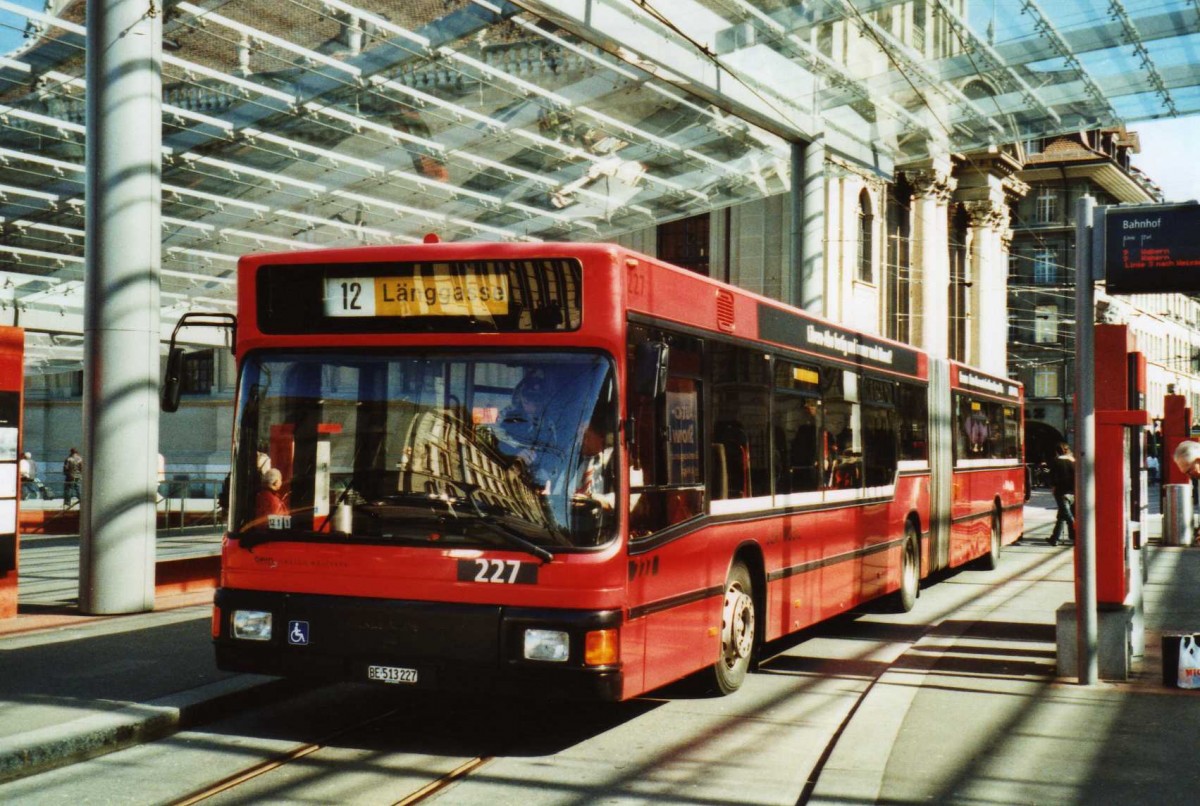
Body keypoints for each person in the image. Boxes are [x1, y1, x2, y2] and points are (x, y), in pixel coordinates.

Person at [1047, 441, 1076, 546]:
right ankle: (1055, 538)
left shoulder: (1056, 462)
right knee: (1062, 514)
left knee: (1067, 515)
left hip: (1061, 492)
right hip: (1073, 492)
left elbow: (1052, 477)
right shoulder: (1073, 461)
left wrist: (1053, 486)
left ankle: (1077, 532)